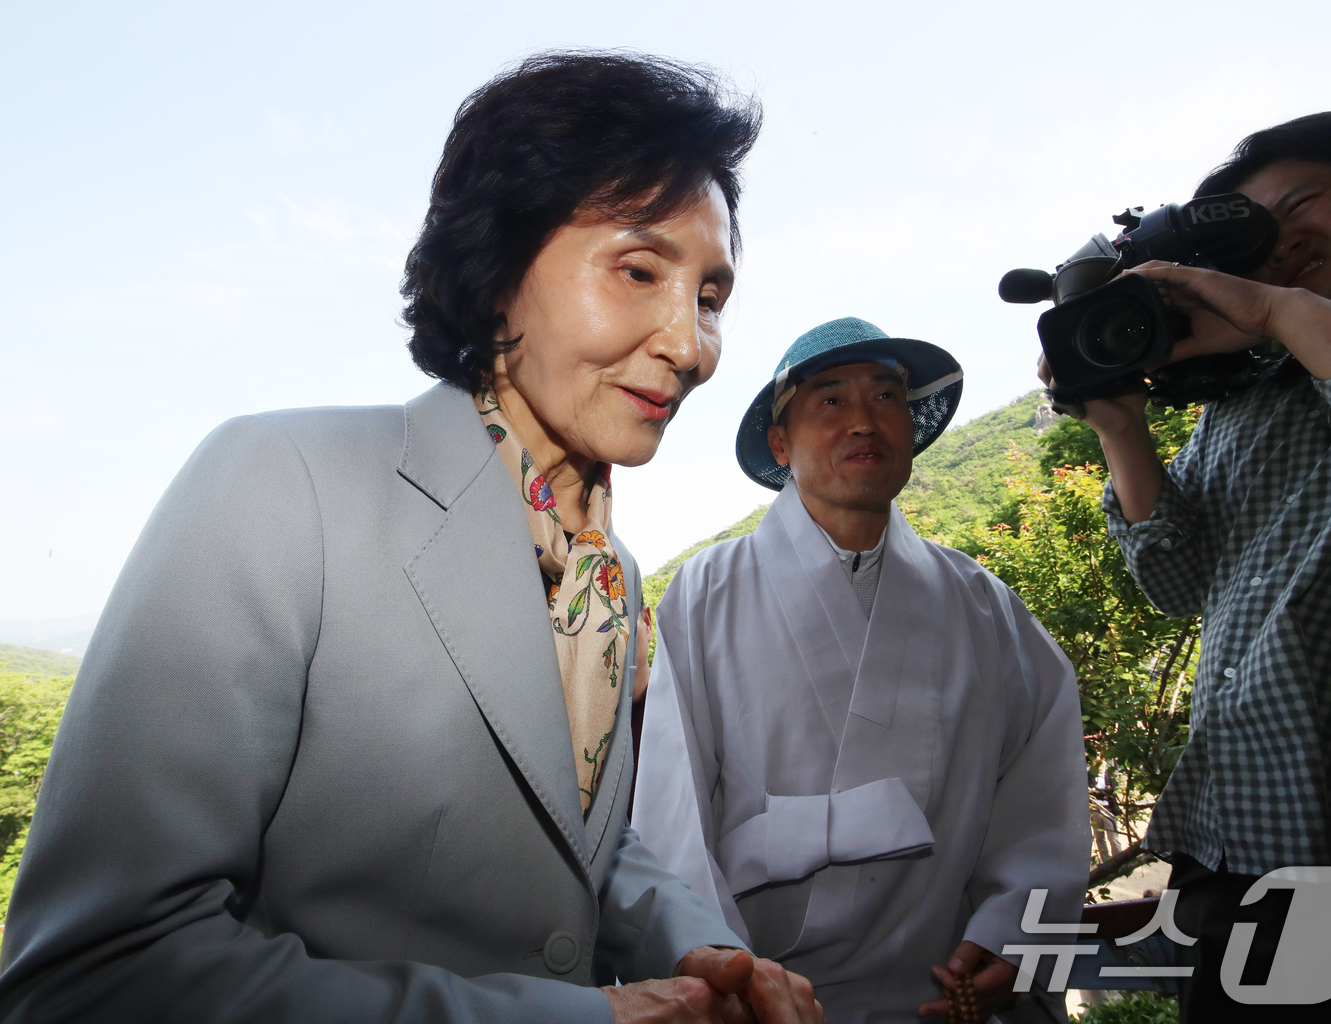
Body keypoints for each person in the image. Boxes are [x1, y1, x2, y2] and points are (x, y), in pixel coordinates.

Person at [0, 51, 826, 1024]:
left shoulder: (611, 581)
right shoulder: (281, 485)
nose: (688, 345)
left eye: (711, 297)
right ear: (496, 276)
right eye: (638, 269)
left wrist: (700, 945)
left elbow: (566, 836)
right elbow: (99, 973)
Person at [1043, 111, 1331, 1021]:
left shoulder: (1317, 340)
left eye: (1303, 201)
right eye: (1258, 236)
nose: (1282, 243)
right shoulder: (1246, 395)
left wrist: (1277, 310)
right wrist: (1118, 419)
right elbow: (1176, 580)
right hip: (1245, 844)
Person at [632, 317, 1091, 1024]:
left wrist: (1012, 933)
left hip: (940, 983)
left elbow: (1041, 791)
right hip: (765, 989)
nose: (863, 422)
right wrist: (720, 967)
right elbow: (673, 808)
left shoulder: (982, 604)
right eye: (830, 401)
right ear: (780, 442)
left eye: (885, 398)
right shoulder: (708, 590)